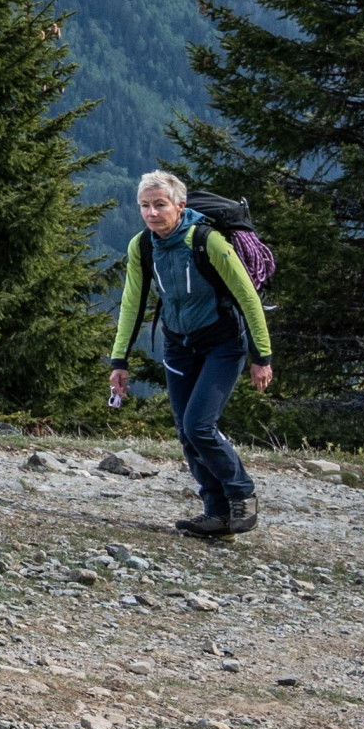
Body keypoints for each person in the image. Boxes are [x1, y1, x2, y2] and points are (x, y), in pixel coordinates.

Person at [109, 169, 274, 538]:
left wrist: (261, 357)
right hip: (178, 345)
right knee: (186, 433)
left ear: (179, 206)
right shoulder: (142, 246)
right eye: (145, 206)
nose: (152, 213)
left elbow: (248, 298)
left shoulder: (206, 240)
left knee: (200, 425)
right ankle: (216, 514)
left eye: (160, 205)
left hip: (223, 344)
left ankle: (242, 494)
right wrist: (119, 362)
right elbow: (132, 303)